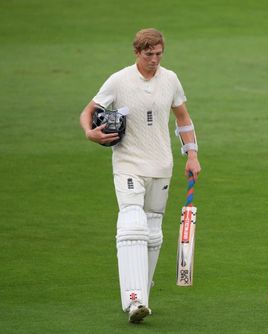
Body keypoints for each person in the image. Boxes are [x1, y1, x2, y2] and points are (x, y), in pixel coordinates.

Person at [80, 28, 201, 323]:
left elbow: (182, 117)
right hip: (128, 163)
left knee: (153, 230)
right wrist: (90, 133)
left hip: (161, 165)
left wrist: (193, 154)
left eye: (159, 54)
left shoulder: (170, 79)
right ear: (137, 52)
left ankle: (142, 297)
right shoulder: (119, 80)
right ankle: (133, 300)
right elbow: (89, 111)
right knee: (132, 224)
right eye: (149, 55)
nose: (155, 60)